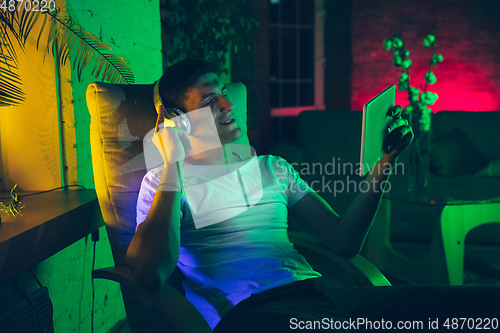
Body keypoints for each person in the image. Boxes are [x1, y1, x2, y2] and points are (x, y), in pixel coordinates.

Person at [125, 59, 499, 332]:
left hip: (324, 293)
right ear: (179, 120)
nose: (227, 104)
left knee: (474, 309)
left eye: (223, 93)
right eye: (210, 102)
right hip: (255, 314)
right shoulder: (164, 184)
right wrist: (173, 164)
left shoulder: (272, 168)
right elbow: (149, 274)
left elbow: (344, 240)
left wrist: (383, 164)